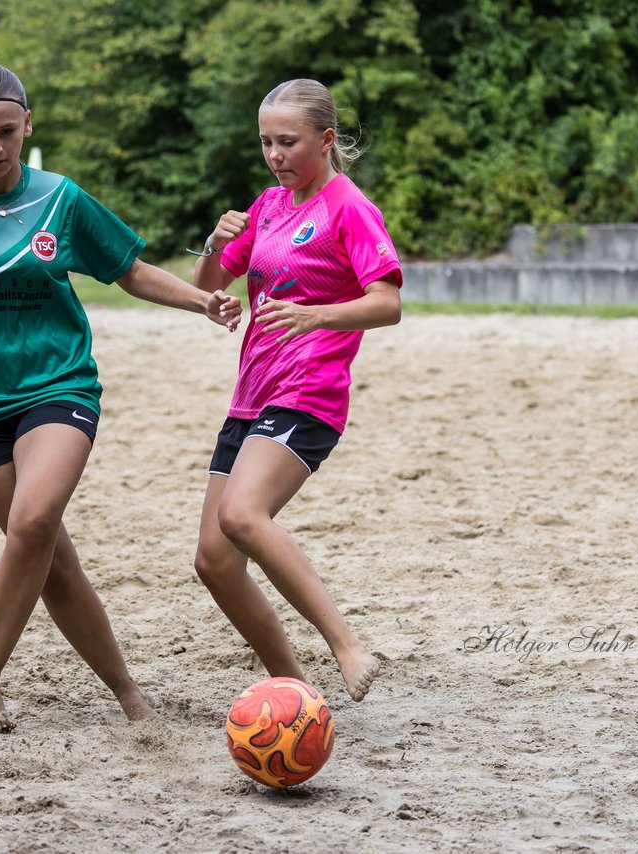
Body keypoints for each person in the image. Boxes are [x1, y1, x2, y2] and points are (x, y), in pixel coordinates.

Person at [0, 63, 241, 732]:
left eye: (7, 131)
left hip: (58, 385)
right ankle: (128, 693)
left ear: (29, 124)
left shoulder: (60, 197)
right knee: (52, 556)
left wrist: (201, 300)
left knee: (31, 523)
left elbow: (129, 270)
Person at [189, 79, 402, 702]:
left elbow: (386, 303)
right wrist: (215, 245)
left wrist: (318, 316)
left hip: (309, 392)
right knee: (213, 559)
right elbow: (210, 290)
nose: (275, 155)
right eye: (265, 143)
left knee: (241, 516)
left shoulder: (349, 207)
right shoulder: (270, 204)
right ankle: (295, 690)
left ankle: (348, 645)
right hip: (253, 392)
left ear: (326, 140)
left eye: (288, 142)